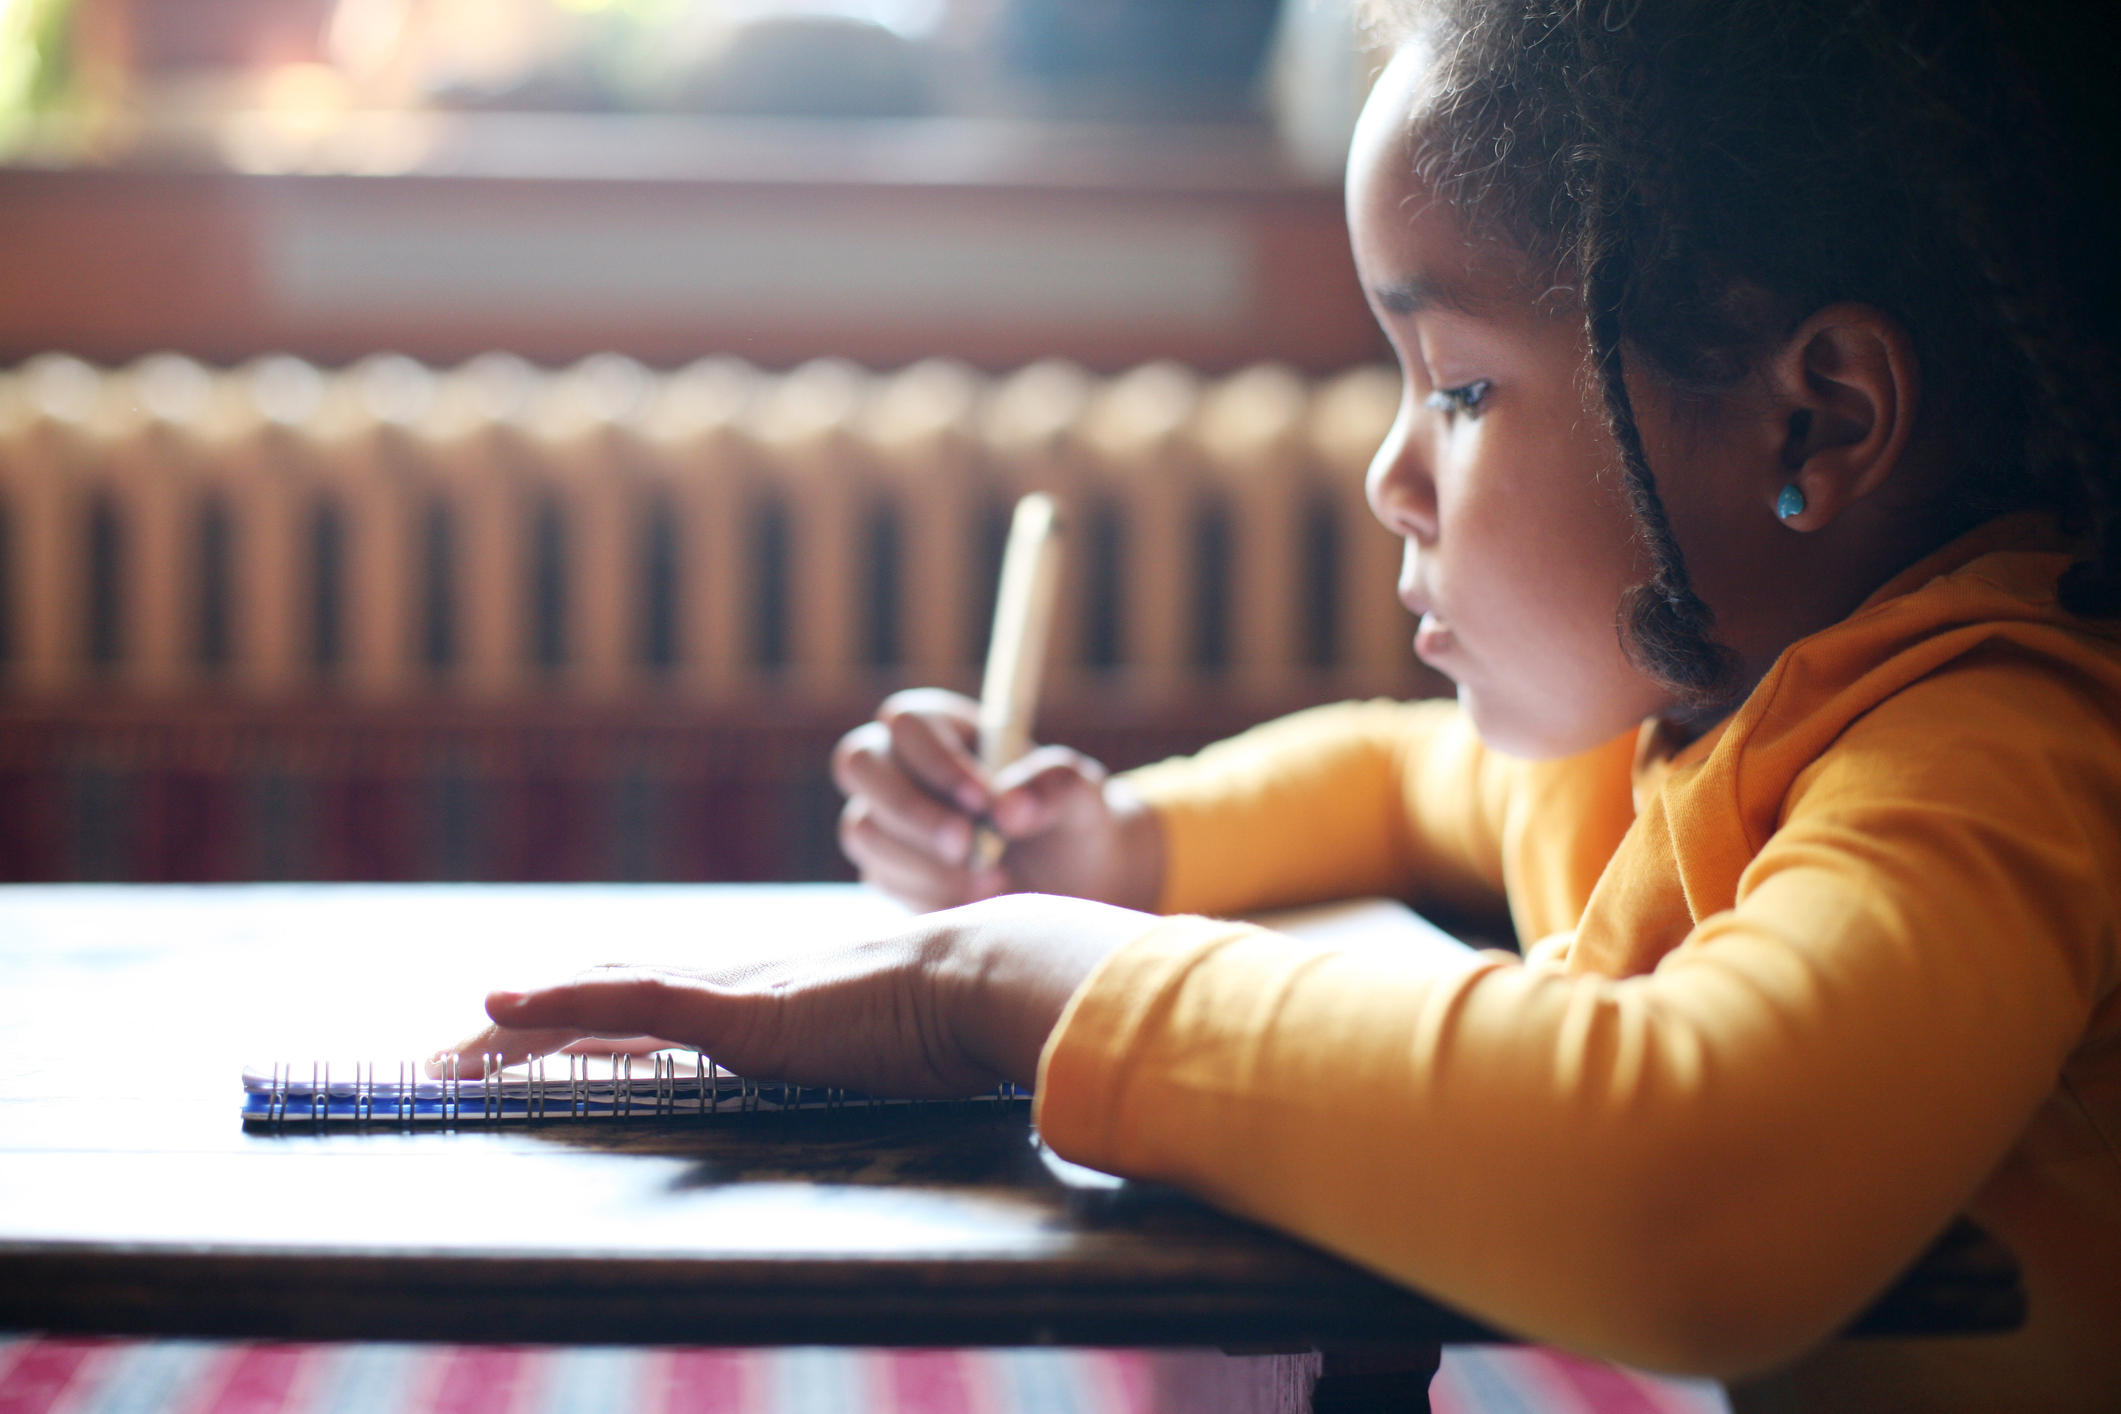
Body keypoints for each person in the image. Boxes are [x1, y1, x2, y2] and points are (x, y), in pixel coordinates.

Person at [443, 2, 2121, 1407]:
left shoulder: (1994, 748)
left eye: (1459, 385)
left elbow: (1694, 1183)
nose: (1390, 473)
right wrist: (1111, 836)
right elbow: (1406, 781)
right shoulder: (1694, 722)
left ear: (1815, 425)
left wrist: (1009, 972)